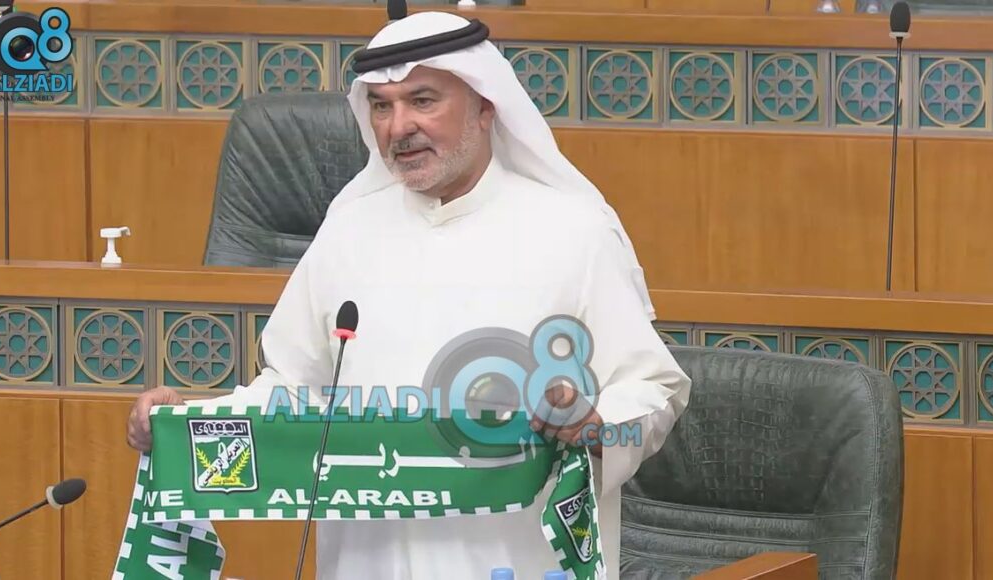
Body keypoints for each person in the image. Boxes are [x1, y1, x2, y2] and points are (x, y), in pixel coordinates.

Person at [126, 9, 691, 580]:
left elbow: (654, 389)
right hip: (367, 561)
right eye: (381, 106)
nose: (398, 127)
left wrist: (596, 423)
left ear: (485, 105)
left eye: (422, 101)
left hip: (514, 558)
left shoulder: (573, 231)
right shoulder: (349, 229)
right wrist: (188, 423)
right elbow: (291, 391)